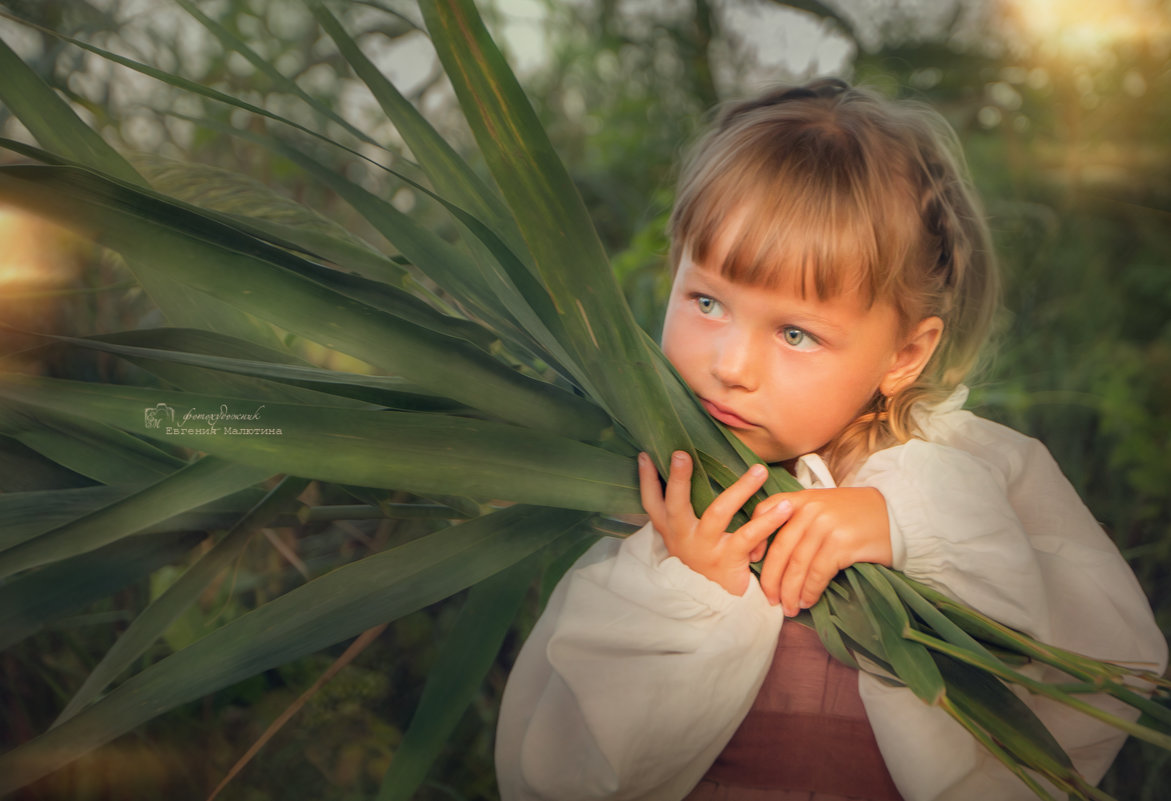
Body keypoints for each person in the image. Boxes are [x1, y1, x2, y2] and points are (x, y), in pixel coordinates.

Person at [494, 79, 1167, 801]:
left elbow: (1104, 655)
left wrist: (911, 525)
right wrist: (687, 583)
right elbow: (560, 769)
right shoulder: (662, 492)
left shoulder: (970, 467)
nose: (729, 366)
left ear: (904, 355)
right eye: (707, 301)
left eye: (794, 333)